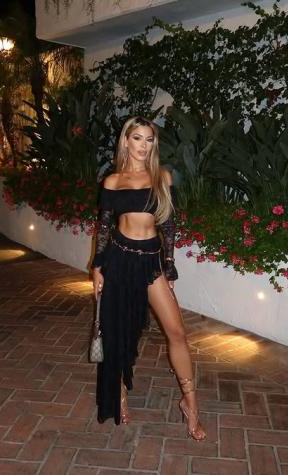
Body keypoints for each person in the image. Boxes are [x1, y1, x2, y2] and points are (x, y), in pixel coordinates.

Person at [91, 116, 207, 441]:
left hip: (150, 261)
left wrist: (169, 266)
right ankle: (119, 392)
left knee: (177, 332)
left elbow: (168, 227)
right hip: (119, 260)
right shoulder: (113, 181)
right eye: (138, 138)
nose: (144, 145)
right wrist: (97, 267)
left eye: (149, 139)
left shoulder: (161, 177)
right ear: (126, 141)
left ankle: (190, 403)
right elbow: (103, 228)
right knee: (118, 332)